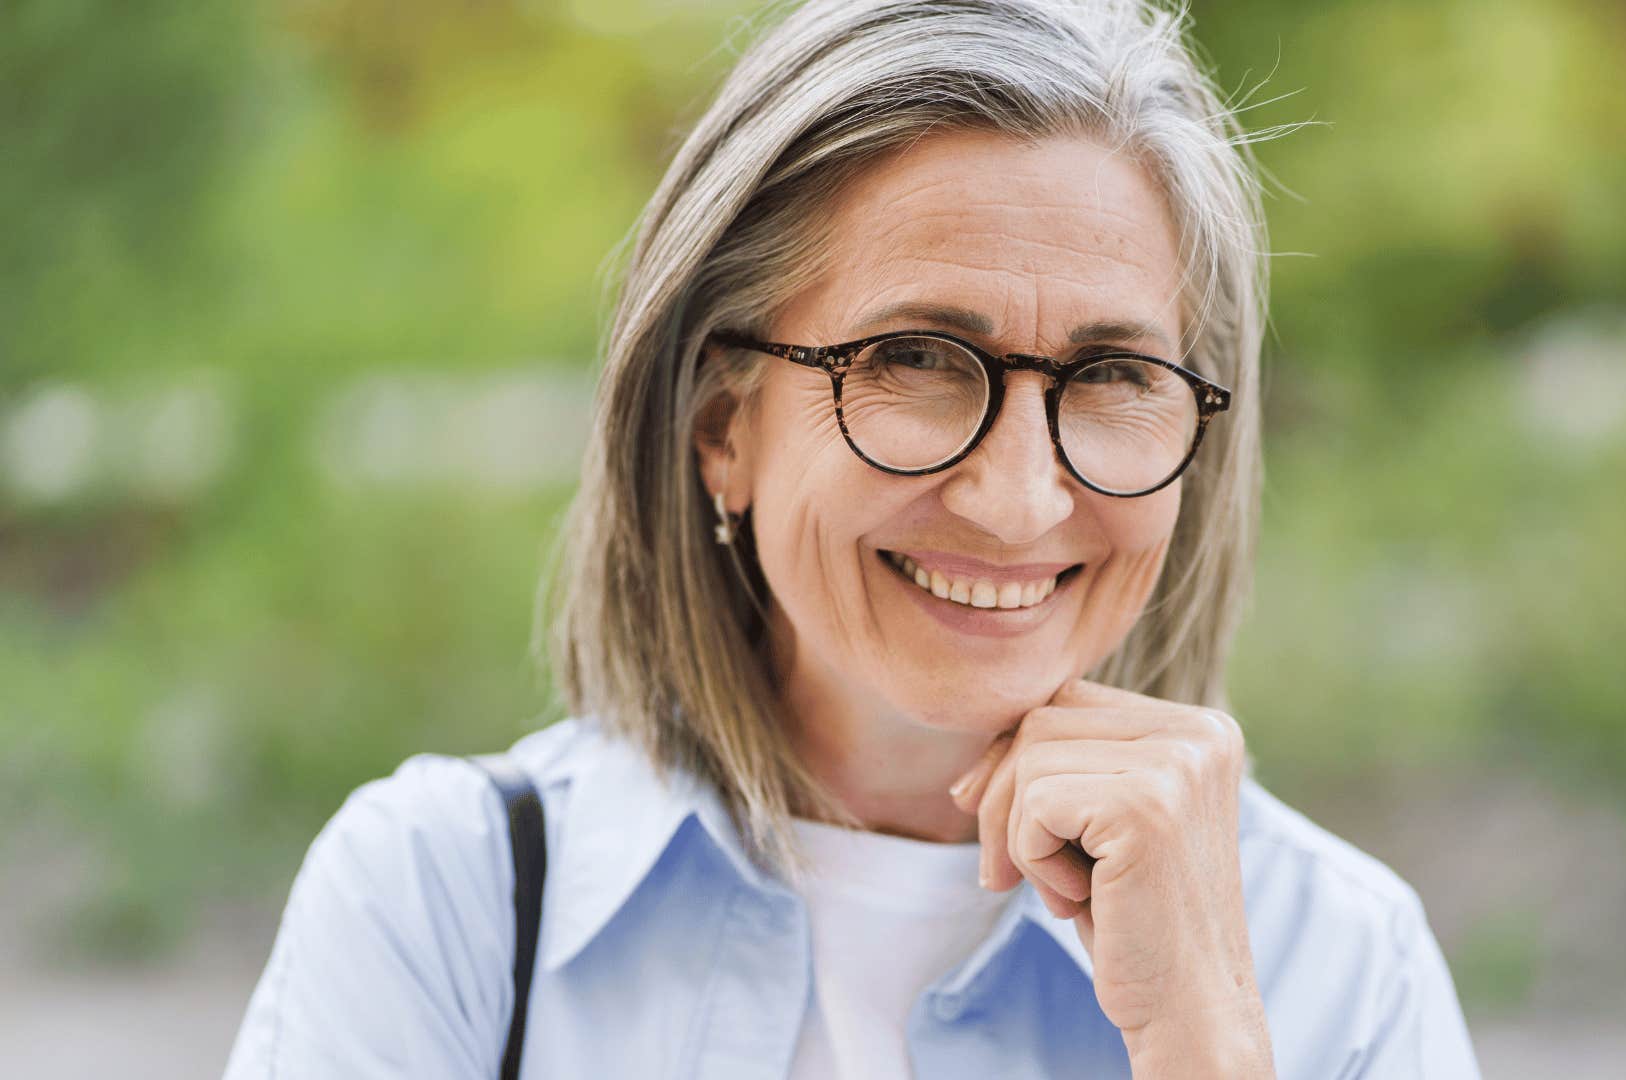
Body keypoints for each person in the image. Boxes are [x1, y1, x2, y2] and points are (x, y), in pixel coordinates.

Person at [224, 0, 1481, 1076]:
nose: (1019, 500)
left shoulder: (1338, 957)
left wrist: (1207, 1050)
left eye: (1111, 376)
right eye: (918, 360)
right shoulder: (444, 901)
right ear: (724, 420)